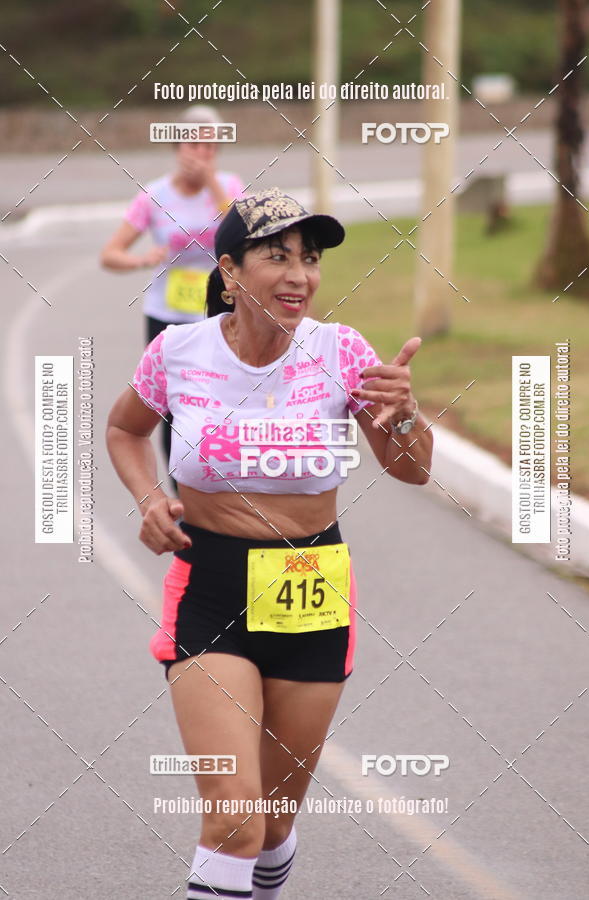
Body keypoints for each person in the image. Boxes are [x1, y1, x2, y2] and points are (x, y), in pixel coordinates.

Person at [106, 187, 433, 900]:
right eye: (275, 256)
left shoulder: (342, 352)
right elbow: (124, 428)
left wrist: (405, 415)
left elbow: (412, 470)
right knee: (234, 824)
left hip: (310, 590)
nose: (299, 275)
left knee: (274, 827)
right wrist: (149, 497)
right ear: (229, 271)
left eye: (309, 259)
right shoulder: (179, 351)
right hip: (212, 585)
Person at [101, 104, 245, 472]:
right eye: (195, 145)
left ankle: (220, 484)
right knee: (171, 407)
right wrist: (143, 259)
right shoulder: (154, 196)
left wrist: (212, 184)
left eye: (211, 148)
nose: (203, 154)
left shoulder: (229, 187)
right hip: (166, 316)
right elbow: (110, 254)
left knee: (220, 399)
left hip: (220, 312)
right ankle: (183, 493)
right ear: (178, 147)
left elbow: (246, 234)